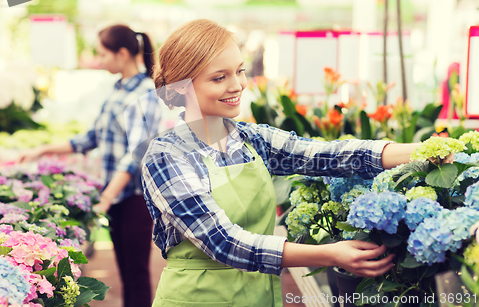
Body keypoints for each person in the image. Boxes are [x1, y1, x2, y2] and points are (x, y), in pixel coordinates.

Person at [142, 19, 452, 307]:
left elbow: (328, 155)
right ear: (182, 87)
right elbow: (223, 242)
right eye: (219, 77)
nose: (237, 85)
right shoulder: (168, 156)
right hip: (197, 297)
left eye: (239, 71)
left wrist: (424, 150)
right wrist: (328, 254)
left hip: (258, 295)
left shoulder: (250, 140)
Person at [16, 24, 160, 307]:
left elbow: (136, 153)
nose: (99, 60)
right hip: (115, 196)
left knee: (137, 277)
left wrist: (106, 198)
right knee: (127, 274)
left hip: (132, 199)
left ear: (121, 54)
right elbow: (91, 138)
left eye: (102, 54)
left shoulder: (144, 93)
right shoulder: (118, 88)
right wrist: (43, 149)